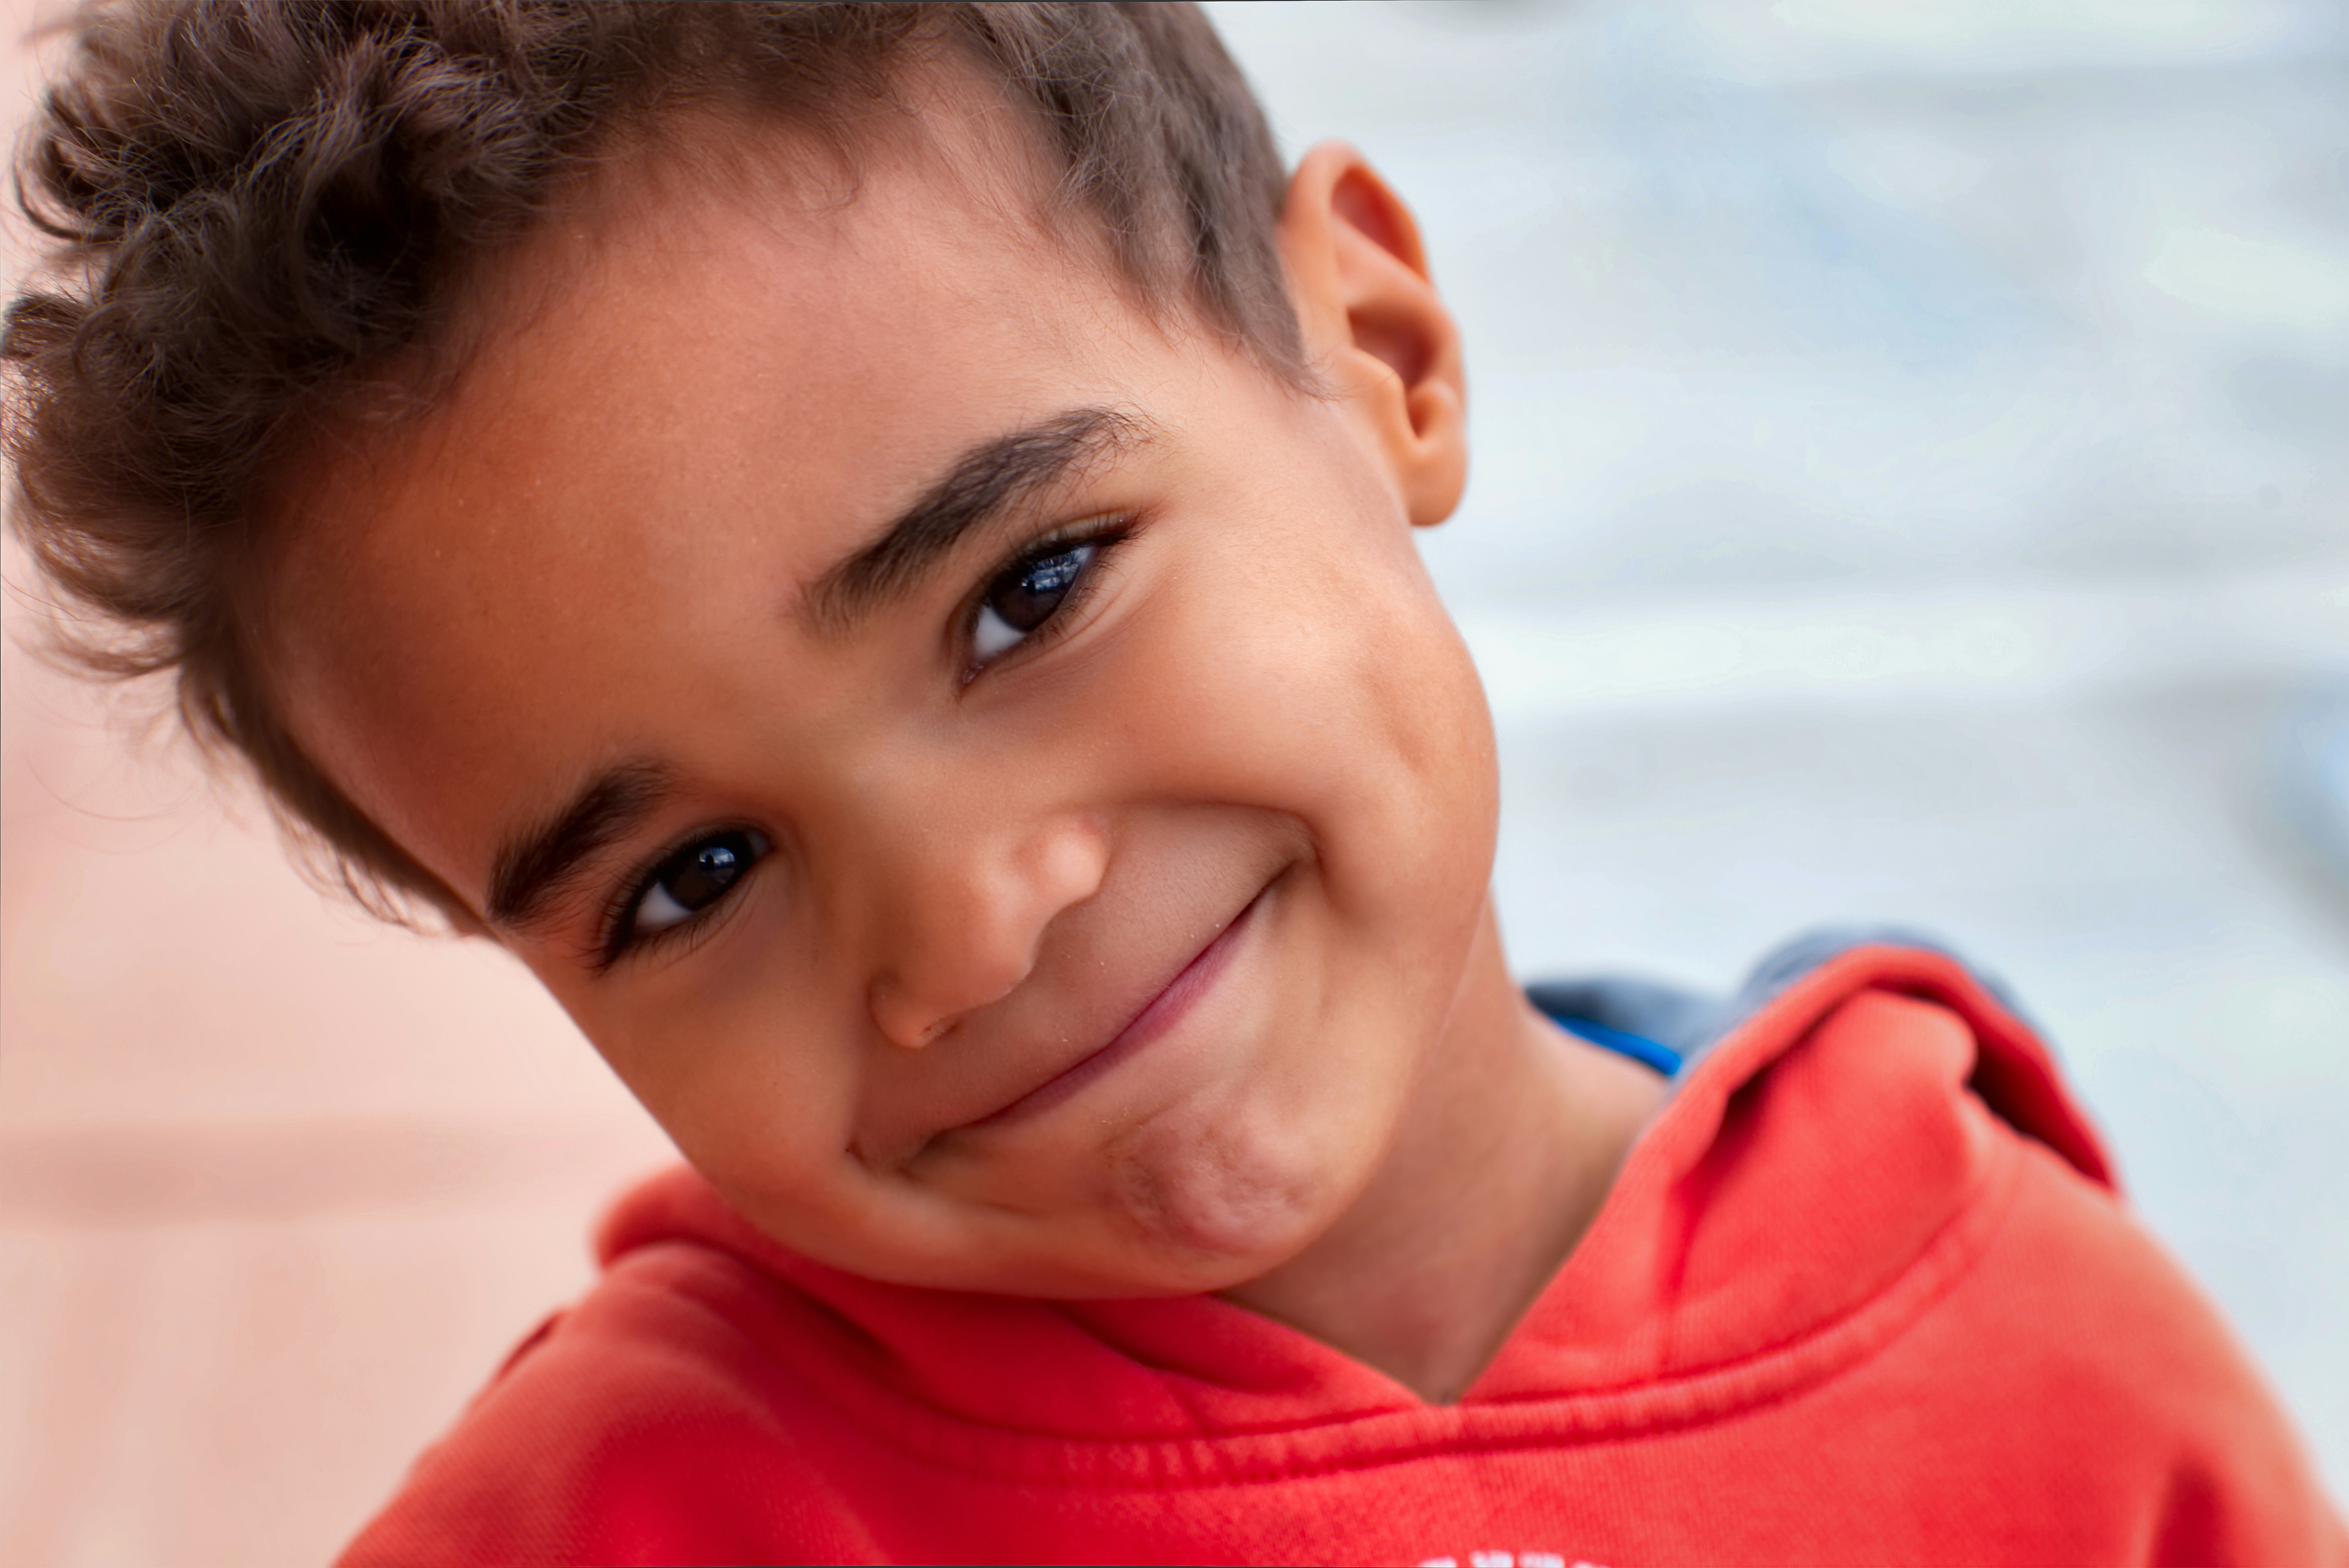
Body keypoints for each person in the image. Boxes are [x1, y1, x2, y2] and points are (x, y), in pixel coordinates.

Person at [5, 3, 2339, 1563]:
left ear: (1385, 358)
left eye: (1027, 596)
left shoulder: (2028, 1357)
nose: (969, 931)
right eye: (696, 875)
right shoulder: (635, 1523)